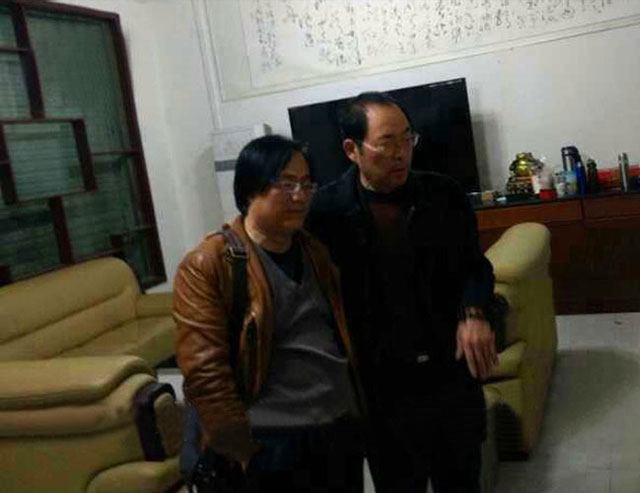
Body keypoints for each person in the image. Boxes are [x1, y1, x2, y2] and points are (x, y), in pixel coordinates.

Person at [307, 92, 498, 493]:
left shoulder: (443, 195)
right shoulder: (323, 214)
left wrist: (474, 313)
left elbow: (474, 266)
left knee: (462, 480)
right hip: (381, 388)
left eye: (408, 139)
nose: (401, 153)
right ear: (352, 150)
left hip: (449, 372)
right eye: (387, 142)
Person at [173, 135, 364, 493]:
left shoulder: (315, 251)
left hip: (336, 428)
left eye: (306, 184)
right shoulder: (209, 264)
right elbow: (203, 370)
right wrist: (239, 448)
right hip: (270, 441)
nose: (300, 196)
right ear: (250, 190)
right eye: (286, 183)